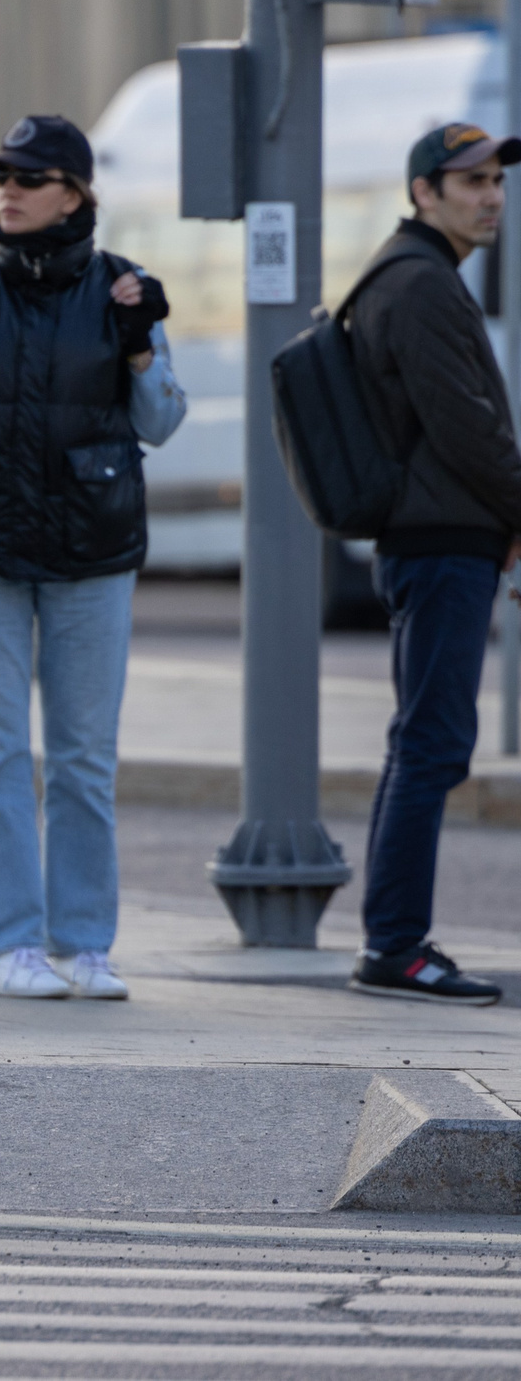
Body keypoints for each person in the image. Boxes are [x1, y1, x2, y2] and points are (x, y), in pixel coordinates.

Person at [0, 114, 186, 1002]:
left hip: (93, 552)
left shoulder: (125, 289)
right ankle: (9, 946)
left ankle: (84, 943)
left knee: (83, 760)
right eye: (0, 178)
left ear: (75, 193)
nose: (8, 193)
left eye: (28, 178)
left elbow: (162, 421)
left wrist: (139, 346)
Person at [337, 123, 521, 1006]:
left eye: (495, 180)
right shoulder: (417, 285)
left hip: (446, 538)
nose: (490, 195)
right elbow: (469, 428)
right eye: (470, 180)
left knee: (425, 743)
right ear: (424, 192)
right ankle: (396, 946)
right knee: (431, 745)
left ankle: (394, 940)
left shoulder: (419, 275)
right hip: (442, 543)